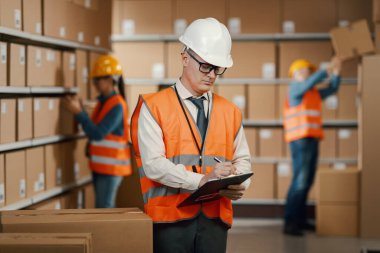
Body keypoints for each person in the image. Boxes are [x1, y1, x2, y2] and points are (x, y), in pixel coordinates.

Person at [130, 18, 252, 253]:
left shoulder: (230, 111)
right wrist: (201, 182)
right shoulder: (154, 106)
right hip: (169, 221)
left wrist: (240, 182)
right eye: (206, 66)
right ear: (185, 58)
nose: (212, 75)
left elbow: (243, 160)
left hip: (215, 221)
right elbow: (154, 164)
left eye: (218, 68)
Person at [63, 55, 132, 208]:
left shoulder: (117, 105)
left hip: (112, 168)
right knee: (102, 208)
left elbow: (98, 133)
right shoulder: (103, 102)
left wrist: (79, 113)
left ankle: (108, 234)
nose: (94, 84)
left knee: (105, 209)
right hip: (101, 167)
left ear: (110, 79)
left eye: (98, 80)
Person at [283, 57, 342, 236]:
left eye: (308, 71)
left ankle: (300, 220)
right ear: (296, 73)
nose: (307, 73)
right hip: (300, 140)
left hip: (312, 139)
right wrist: (326, 69)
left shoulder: (312, 92)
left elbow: (332, 88)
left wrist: (336, 73)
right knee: (300, 181)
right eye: (305, 71)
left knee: (307, 181)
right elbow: (307, 84)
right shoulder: (295, 88)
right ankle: (290, 222)